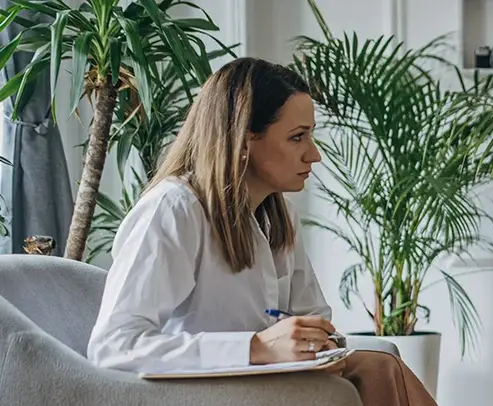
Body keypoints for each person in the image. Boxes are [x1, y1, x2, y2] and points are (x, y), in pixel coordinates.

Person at [86, 57, 438, 406]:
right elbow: (114, 346)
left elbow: (312, 316)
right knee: (374, 371)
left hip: (261, 386)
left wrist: (315, 343)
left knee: (380, 367)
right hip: (196, 394)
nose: (313, 155)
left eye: (310, 136)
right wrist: (256, 348)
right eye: (297, 137)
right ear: (242, 141)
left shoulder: (279, 214)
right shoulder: (174, 209)